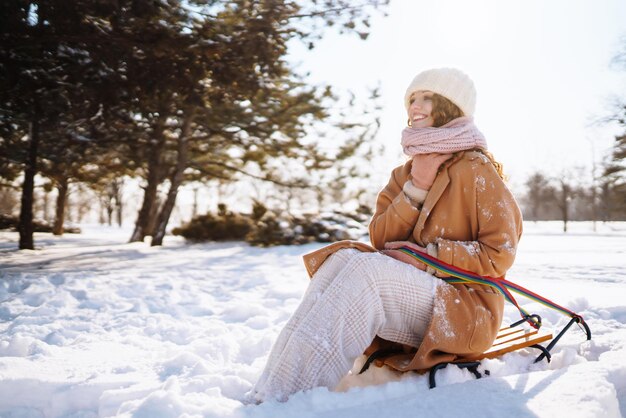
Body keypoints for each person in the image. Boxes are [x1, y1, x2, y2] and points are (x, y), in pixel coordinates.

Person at [247, 68, 523, 403]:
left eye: (426, 98)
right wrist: (416, 189)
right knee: (344, 258)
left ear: (451, 105)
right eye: (411, 99)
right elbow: (381, 238)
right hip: (418, 302)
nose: (415, 107)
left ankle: (282, 401)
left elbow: (500, 253)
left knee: (368, 272)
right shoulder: (406, 172)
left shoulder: (477, 169)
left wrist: (428, 260)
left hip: (465, 310)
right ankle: (271, 394)